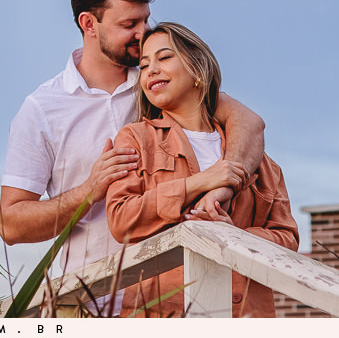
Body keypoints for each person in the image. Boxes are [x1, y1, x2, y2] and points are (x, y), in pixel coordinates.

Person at [0, 0, 265, 300]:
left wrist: (221, 184)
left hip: (170, 299)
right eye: (129, 24)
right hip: (87, 302)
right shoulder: (41, 109)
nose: (143, 33)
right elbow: (11, 224)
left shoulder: (160, 83)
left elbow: (249, 123)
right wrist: (87, 192)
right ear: (88, 24)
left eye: (145, 20)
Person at [106, 20, 297, 316]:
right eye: (143, 65)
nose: (151, 70)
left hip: (245, 315)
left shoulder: (260, 161)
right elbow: (121, 220)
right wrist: (198, 183)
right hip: (164, 315)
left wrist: (234, 235)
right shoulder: (136, 138)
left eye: (164, 57)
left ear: (197, 69)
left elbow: (287, 239)